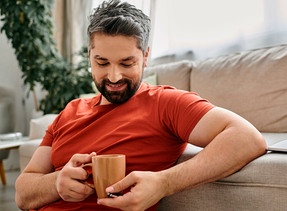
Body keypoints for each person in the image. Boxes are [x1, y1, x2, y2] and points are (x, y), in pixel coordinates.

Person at [15, 0, 266, 210]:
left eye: (126, 63)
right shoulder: (70, 111)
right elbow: (22, 192)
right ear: (89, 55)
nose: (114, 77)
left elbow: (247, 138)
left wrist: (163, 183)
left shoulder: (165, 103)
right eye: (102, 63)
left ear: (145, 56)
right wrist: (57, 182)